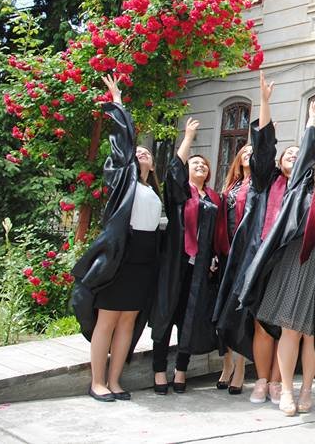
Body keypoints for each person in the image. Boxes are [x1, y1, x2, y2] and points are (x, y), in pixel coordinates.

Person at [237, 84, 315, 416]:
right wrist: (312, 122)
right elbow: (300, 155)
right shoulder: (299, 187)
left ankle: (307, 388)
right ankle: (284, 389)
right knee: (287, 328)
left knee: (311, 334)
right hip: (291, 260)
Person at [71, 75, 164, 402]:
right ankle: (97, 381)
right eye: (136, 152)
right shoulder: (123, 184)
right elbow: (122, 144)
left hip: (143, 261)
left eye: (146, 154)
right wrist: (118, 103)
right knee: (108, 320)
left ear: (152, 165)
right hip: (120, 258)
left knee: (128, 322)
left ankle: (115, 380)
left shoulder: (153, 191)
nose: (140, 154)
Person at [212, 72, 295, 404]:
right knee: (262, 322)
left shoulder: (305, 186)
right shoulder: (266, 180)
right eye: (287, 154)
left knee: (284, 323)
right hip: (262, 258)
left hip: (289, 261)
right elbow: (263, 146)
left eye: (296, 155)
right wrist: (265, 102)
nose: (291, 157)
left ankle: (278, 382)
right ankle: (261, 380)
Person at [150, 117, 225, 394]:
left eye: (204, 165)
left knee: (189, 318)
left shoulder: (214, 198)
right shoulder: (181, 194)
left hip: (200, 266)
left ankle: (180, 371)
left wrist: (215, 258)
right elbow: (173, 172)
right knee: (166, 315)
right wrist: (188, 138)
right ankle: (159, 371)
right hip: (176, 263)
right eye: (195, 163)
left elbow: (218, 233)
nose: (201, 166)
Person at [217, 144, 253, 393]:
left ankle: (240, 367)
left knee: (240, 312)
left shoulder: (261, 184)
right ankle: (226, 364)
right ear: (238, 159)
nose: (249, 154)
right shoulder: (231, 186)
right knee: (222, 313)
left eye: (254, 151)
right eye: (245, 152)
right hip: (226, 254)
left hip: (247, 256)